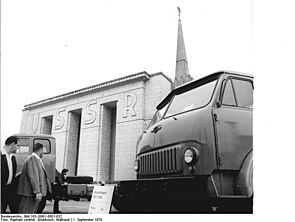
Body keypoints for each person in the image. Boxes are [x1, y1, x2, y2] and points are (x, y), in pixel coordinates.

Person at [17, 143, 52, 213]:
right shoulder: (32, 159)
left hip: (31, 194)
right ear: (40, 150)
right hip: (30, 193)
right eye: (43, 151)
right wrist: (37, 192)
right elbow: (34, 177)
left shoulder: (35, 159)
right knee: (26, 214)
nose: (43, 153)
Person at [1, 136, 20, 213]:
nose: (18, 148)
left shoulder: (13, 158)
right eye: (17, 145)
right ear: (12, 144)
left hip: (8, 192)